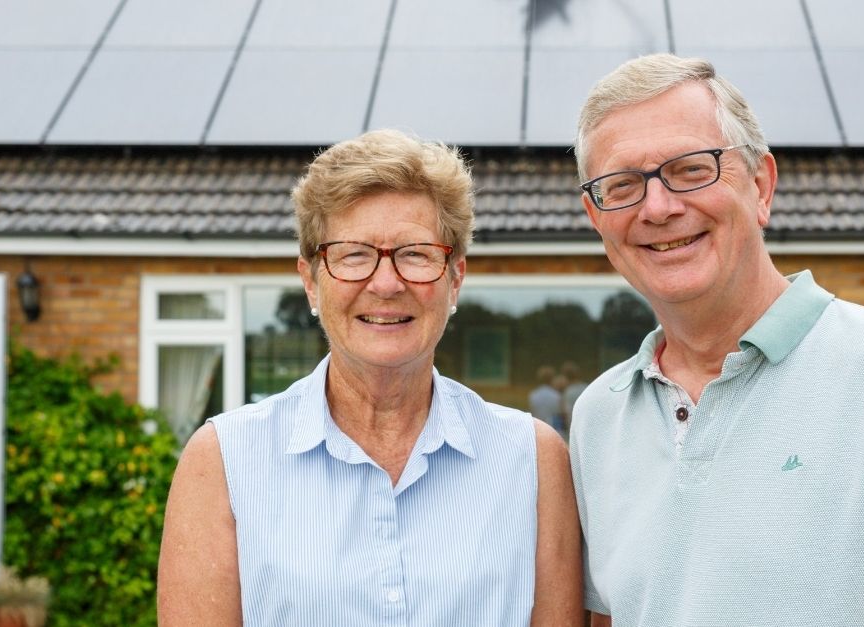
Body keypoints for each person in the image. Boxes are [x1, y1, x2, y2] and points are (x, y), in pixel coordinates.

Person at [568, 53, 864, 626]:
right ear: (597, 218)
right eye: (622, 186)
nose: (659, 208)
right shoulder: (599, 416)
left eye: (692, 170)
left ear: (762, 186)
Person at [158, 130, 583, 626]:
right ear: (310, 281)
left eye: (416, 254)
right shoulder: (223, 460)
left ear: (455, 279)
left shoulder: (532, 458)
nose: (385, 283)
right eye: (354, 254)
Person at [528, 364, 564, 433]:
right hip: (554, 429)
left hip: (537, 428)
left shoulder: (533, 395)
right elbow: (560, 414)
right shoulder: (556, 395)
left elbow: (532, 412)